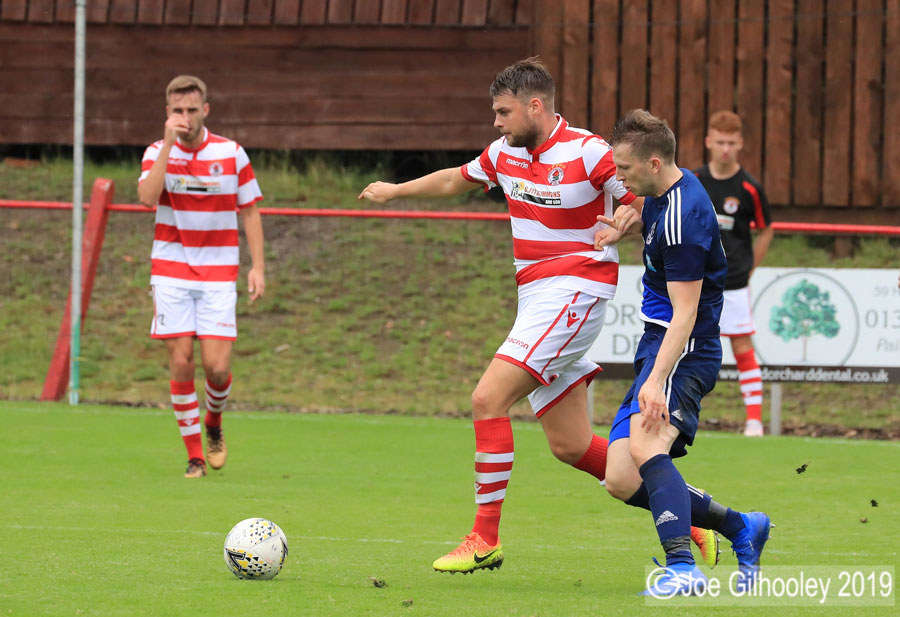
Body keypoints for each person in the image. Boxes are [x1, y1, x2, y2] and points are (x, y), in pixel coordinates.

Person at [358, 58, 717, 575]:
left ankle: (484, 538)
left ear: (535, 106)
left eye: (503, 112)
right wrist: (396, 191)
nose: (497, 123)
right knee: (570, 446)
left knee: (487, 398)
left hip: (576, 291)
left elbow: (643, 201)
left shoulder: (590, 151)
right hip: (538, 298)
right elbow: (455, 180)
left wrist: (623, 220)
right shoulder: (503, 154)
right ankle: (686, 514)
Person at [597, 109, 771, 596]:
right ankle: (741, 526)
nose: (619, 177)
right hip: (660, 342)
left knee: (648, 447)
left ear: (653, 163)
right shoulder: (667, 188)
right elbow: (650, 222)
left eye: (625, 169)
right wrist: (625, 225)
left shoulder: (684, 219)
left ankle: (681, 567)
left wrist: (656, 379)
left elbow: (687, 313)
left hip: (684, 347)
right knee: (620, 477)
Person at [138, 75, 266, 478]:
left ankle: (213, 421)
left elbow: (249, 210)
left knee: (216, 368)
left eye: (192, 110)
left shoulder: (231, 153)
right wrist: (167, 148)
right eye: (178, 111)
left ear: (205, 110)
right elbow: (146, 198)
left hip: (218, 273)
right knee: (181, 362)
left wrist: (257, 265)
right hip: (171, 270)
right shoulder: (157, 152)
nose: (186, 117)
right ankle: (194, 456)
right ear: (168, 113)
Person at [694, 111, 774, 437]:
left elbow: (766, 229)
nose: (725, 149)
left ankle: (753, 420)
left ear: (740, 144)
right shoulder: (694, 181)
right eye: (720, 142)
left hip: (735, 282)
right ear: (709, 142)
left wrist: (751, 266)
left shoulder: (749, 187)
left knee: (742, 347)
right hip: (698, 281)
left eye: (731, 143)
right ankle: (683, 413)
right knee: (690, 346)